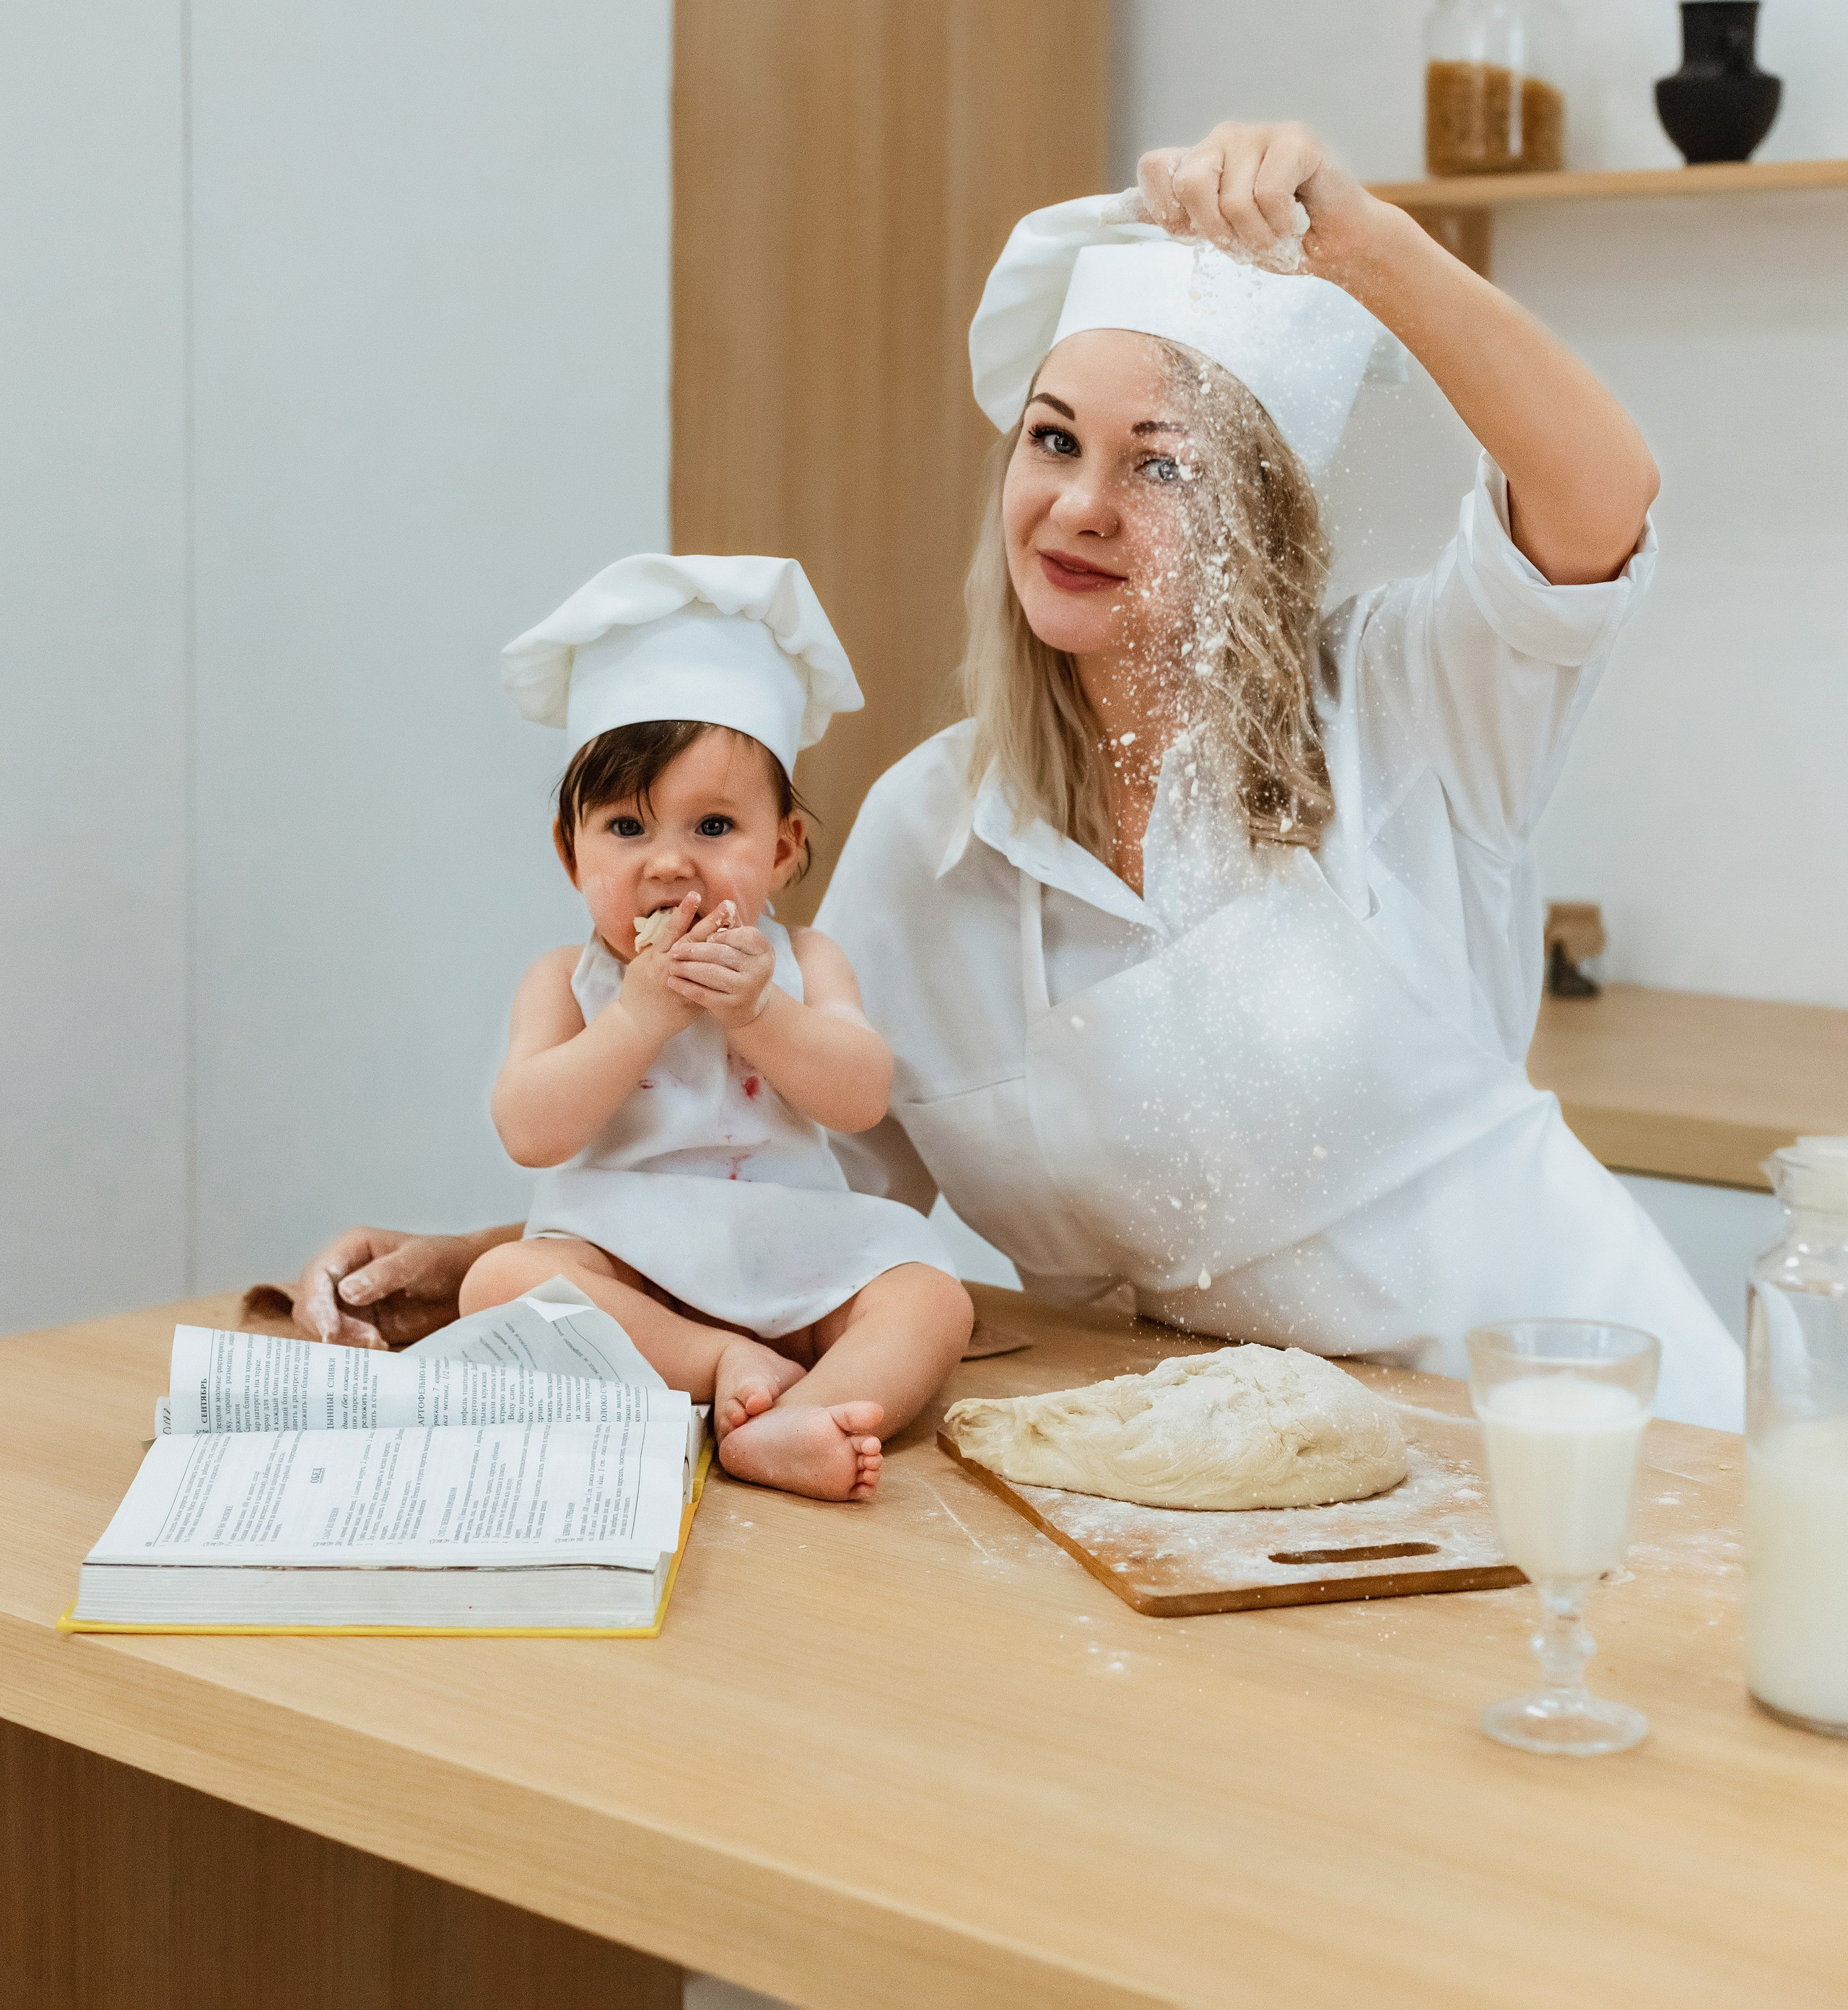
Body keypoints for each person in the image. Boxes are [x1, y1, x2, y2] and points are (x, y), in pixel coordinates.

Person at [295, 118, 1742, 1430]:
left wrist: (1365, 246)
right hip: (1258, 1475)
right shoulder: (929, 833)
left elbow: (1598, 496)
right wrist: (504, 1262)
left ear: (1255, 522)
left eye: (1157, 467)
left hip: (1593, 1429)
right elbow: (789, 1206)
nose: (1078, 505)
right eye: (1051, 441)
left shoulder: (1403, 702)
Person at [457, 553, 972, 1501]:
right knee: (496, 1283)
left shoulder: (806, 961)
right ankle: (716, 1365)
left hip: (792, 1243)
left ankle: (790, 1421)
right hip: (626, 1263)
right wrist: (638, 1016)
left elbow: (859, 1097)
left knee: (931, 1299)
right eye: (626, 829)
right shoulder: (564, 982)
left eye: (712, 828)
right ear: (571, 855)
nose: (667, 866)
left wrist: (759, 1011)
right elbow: (531, 1132)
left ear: (781, 850)